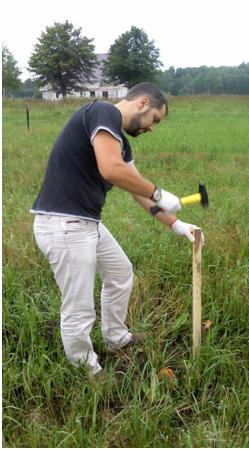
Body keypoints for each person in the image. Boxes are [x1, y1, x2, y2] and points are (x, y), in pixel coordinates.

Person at [31, 82, 204, 376]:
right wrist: (159, 193)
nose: (152, 128)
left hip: (86, 224)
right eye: (155, 120)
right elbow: (111, 170)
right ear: (142, 103)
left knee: (121, 273)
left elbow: (138, 191)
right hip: (64, 225)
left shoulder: (120, 142)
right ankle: (86, 371)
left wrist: (176, 224)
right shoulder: (102, 112)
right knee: (78, 306)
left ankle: (115, 338)